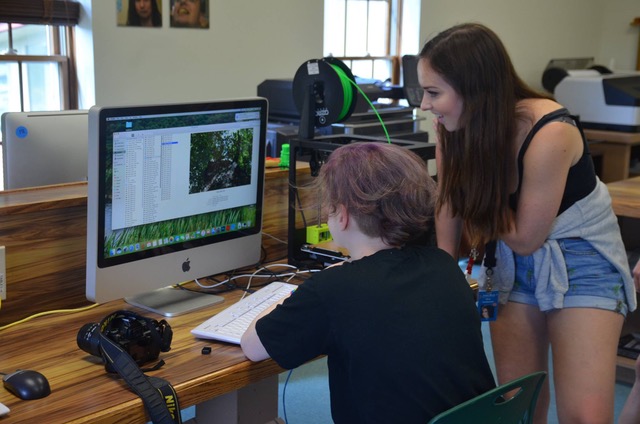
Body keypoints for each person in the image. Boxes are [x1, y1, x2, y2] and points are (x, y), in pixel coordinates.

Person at [418, 22, 637, 424]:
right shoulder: (453, 128)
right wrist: (442, 271)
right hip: (508, 260)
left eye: (434, 92)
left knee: (583, 417)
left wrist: (475, 186)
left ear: (475, 90)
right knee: (519, 404)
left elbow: (525, 237)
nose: (424, 104)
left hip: (581, 260)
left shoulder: (551, 133)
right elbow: (449, 199)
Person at [241, 142, 496, 423]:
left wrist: (298, 290)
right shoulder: (442, 264)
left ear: (343, 214)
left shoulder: (334, 288)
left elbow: (252, 346)